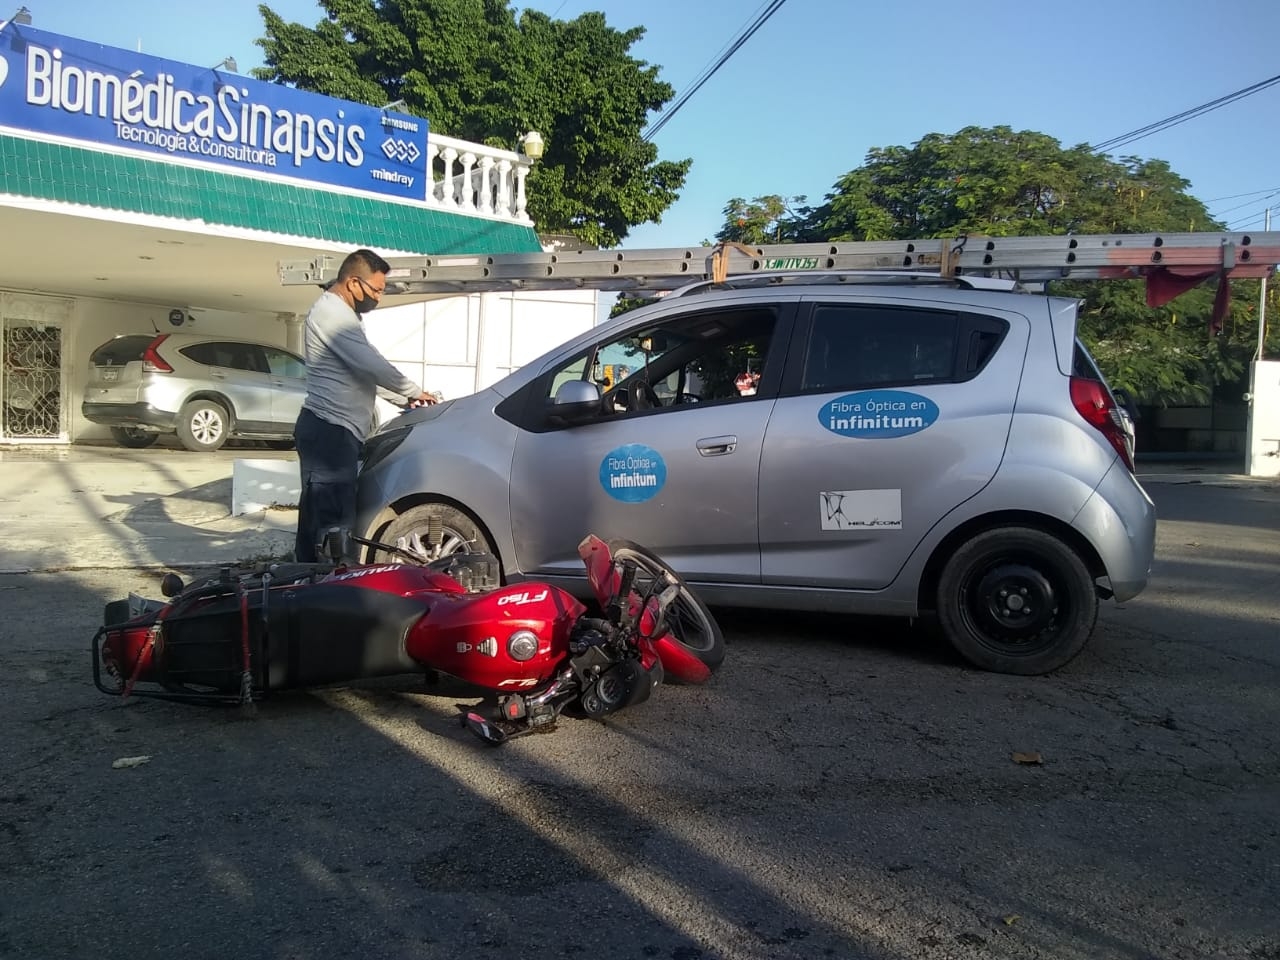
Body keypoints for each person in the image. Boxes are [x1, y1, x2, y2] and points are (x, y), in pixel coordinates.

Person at [292, 248, 437, 562]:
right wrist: (411, 390)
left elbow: (362, 374)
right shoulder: (331, 315)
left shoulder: (344, 316)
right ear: (353, 283)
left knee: (319, 522)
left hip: (334, 432)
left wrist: (409, 399)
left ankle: (303, 591)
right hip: (329, 432)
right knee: (332, 528)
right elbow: (372, 365)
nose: (379, 298)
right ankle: (325, 598)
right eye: (376, 290)